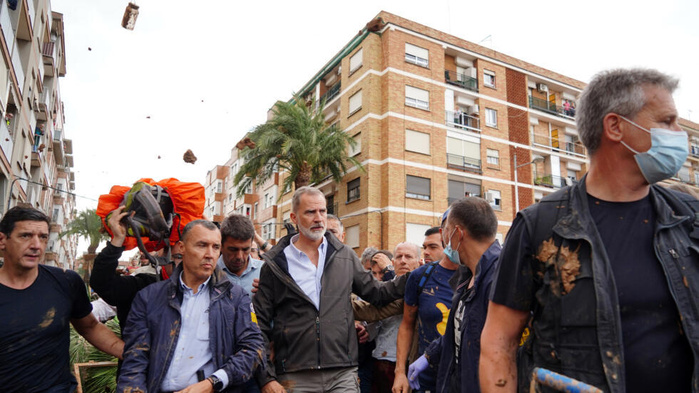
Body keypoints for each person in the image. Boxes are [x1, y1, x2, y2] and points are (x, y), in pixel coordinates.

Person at [479, 68, 699, 393]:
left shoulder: (690, 218)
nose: (680, 133)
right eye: (667, 121)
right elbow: (499, 344)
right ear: (615, 126)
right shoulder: (540, 226)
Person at [254, 186, 408, 393]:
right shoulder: (275, 265)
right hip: (295, 376)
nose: (318, 218)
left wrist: (415, 277)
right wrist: (266, 378)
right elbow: (258, 326)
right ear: (293, 217)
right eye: (310, 212)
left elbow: (377, 294)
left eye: (322, 211)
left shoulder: (344, 255)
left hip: (342, 375)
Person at [118, 219, 264, 392]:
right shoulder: (149, 298)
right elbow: (135, 360)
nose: (210, 254)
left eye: (215, 247)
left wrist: (213, 382)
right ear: (182, 248)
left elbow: (253, 349)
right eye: (202, 245)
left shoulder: (236, 298)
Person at [0, 206, 124, 392]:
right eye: (25, 235)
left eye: (43, 237)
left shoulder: (65, 281)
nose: (36, 245)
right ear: (2, 240)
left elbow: (90, 327)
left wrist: (132, 354)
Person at [404, 198, 500, 393]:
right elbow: (462, 332)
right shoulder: (467, 277)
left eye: (445, 231)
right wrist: (429, 356)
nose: (443, 238)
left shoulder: (500, 279)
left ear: (457, 233)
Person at [91, 205, 184, 335]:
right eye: (178, 256)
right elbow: (103, 284)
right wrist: (117, 241)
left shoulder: (206, 291)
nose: (183, 263)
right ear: (163, 255)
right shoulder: (143, 285)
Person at [393, 225, 457, 393]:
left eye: (433, 247)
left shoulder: (477, 275)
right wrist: (400, 372)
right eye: (424, 247)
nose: (426, 252)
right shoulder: (420, 277)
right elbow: (407, 325)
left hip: (461, 376)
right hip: (425, 378)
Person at [370, 242, 420, 393]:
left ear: (419, 262)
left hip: (410, 364)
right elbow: (372, 331)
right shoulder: (381, 290)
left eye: (408, 256)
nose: (403, 260)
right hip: (380, 361)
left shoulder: (424, 288)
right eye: (399, 257)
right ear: (393, 262)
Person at [218, 213, 265, 296]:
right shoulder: (209, 273)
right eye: (233, 250)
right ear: (221, 246)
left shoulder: (265, 271)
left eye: (245, 249)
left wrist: (270, 296)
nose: (239, 256)